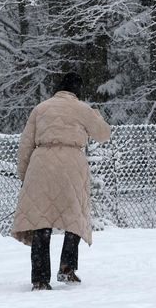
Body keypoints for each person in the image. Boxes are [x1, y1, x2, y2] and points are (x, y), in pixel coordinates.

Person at [11, 73, 111, 291]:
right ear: (77, 90)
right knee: (74, 216)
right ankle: (67, 267)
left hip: (41, 164)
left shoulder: (41, 108)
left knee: (40, 221)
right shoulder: (82, 109)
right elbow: (103, 134)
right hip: (72, 165)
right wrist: (94, 114)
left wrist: (24, 175)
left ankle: (40, 278)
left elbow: (25, 144)